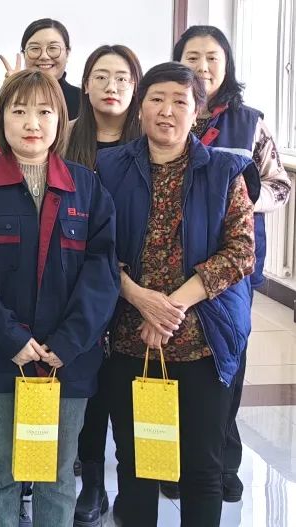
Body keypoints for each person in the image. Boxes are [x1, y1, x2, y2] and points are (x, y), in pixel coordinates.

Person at [0, 68, 119, 527]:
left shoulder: (87, 187)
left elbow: (102, 273)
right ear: (0, 119)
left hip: (68, 361)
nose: (32, 123)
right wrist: (11, 339)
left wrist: (68, 341)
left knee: (57, 476)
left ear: (61, 119)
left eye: (44, 111)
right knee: (0, 473)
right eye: (19, 111)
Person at [96, 62, 255, 527]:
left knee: (202, 468)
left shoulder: (224, 170)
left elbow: (241, 251)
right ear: (140, 107)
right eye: (157, 99)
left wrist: (171, 307)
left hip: (203, 342)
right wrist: (139, 298)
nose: (167, 111)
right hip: (130, 340)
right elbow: (94, 247)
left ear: (197, 112)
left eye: (180, 102)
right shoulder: (110, 168)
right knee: (137, 464)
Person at [164, 25, 292, 504]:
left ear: (226, 64)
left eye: (211, 57)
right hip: (169, 264)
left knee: (225, 364)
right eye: (192, 57)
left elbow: (279, 186)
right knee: (174, 367)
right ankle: (175, 461)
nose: (202, 66)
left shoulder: (248, 122)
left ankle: (223, 462)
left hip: (231, 264)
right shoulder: (164, 110)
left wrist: (234, 199)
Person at [65, 44, 143, 527]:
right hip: (80, 283)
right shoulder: (66, 137)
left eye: (122, 78)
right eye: (100, 76)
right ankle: (92, 482)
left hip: (140, 285)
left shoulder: (149, 138)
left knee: (129, 388)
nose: (111, 87)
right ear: (86, 84)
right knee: (88, 388)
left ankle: (134, 483)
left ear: (136, 87)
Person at [1, 18, 81, 119]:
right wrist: (12, 90)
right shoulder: (12, 96)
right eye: (35, 48)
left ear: (67, 53)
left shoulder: (84, 100)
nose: (44, 56)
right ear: (23, 54)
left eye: (53, 48)